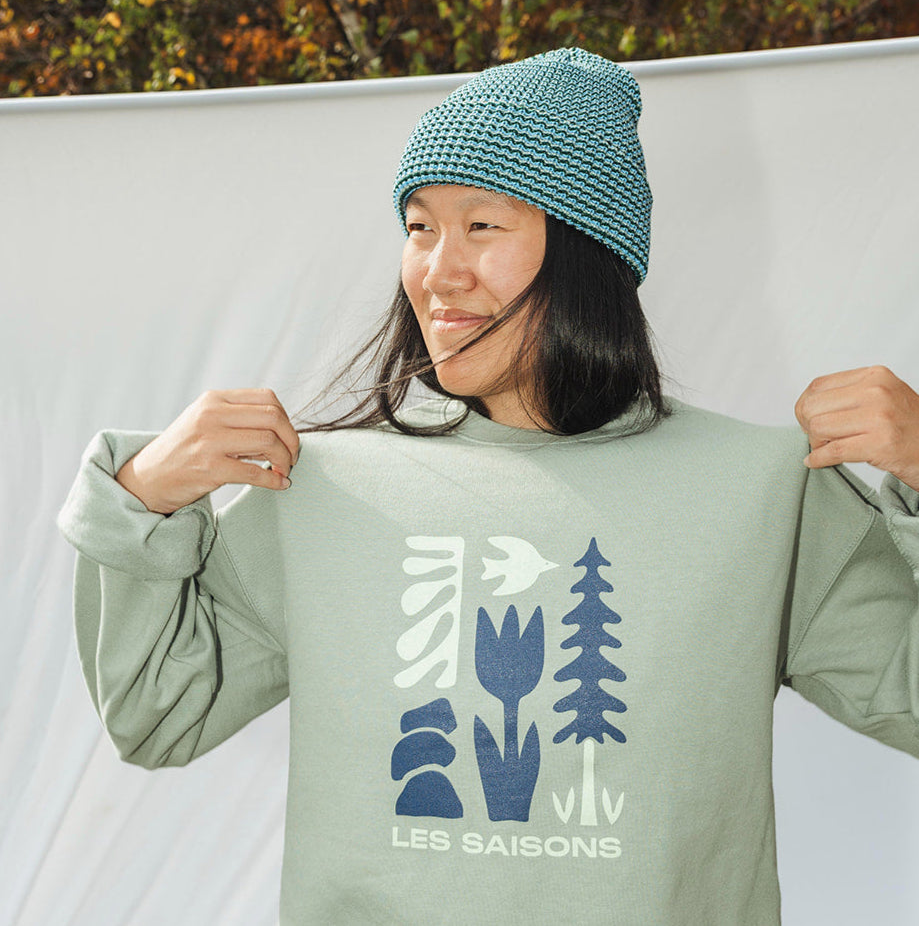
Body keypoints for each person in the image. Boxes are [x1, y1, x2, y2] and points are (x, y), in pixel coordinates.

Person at [57, 47, 919, 926]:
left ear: (585, 254)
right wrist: (140, 501)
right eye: (420, 226)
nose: (439, 270)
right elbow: (158, 715)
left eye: (482, 226)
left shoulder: (758, 490)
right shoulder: (330, 490)